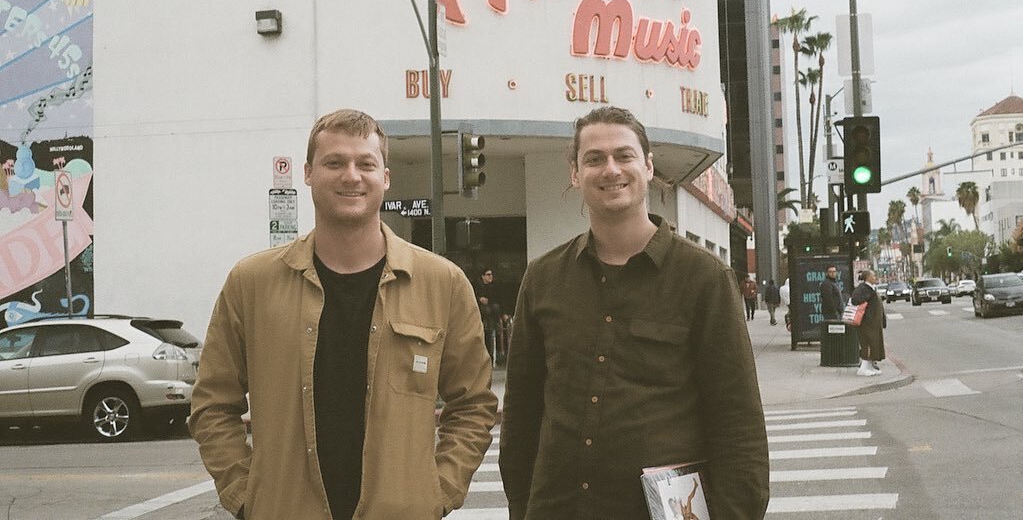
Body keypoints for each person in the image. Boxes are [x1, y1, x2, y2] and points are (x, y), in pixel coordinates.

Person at [190, 109, 498, 520]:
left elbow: (474, 404)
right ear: (308, 173)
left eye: (365, 163)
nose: (351, 176)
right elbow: (211, 404)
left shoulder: (442, 284)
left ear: (385, 177)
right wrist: (245, 496)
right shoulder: (251, 284)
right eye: (334, 162)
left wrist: (438, 492)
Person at [499, 106, 770, 519]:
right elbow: (520, 419)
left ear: (647, 166)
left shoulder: (704, 278)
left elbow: (739, 426)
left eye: (623, 156)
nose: (610, 170)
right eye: (594, 159)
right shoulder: (543, 279)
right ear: (575, 174)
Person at [850, 269, 885, 377]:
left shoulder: (871, 288)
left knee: (874, 344)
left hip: (874, 323)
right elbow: (854, 300)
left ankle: (869, 366)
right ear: (867, 277)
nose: (875, 277)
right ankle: (863, 368)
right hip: (867, 323)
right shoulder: (863, 288)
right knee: (868, 344)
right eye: (873, 275)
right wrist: (868, 296)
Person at [474, 267, 503, 361]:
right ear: (483, 276)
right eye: (488, 275)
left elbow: (498, 299)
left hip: (492, 313)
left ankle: (495, 325)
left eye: (491, 275)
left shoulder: (495, 287)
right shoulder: (477, 287)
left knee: (495, 308)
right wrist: (480, 300)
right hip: (482, 313)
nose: (491, 277)